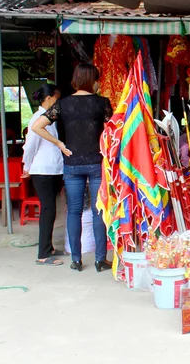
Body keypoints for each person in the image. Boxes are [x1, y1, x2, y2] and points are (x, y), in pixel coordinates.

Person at [32, 63, 113, 273]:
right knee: (98, 212)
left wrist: (59, 144)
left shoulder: (63, 104)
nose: (97, 83)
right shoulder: (102, 103)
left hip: (72, 164)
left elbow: (36, 126)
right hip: (96, 162)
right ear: (91, 80)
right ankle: (99, 260)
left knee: (74, 212)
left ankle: (76, 260)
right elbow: (112, 132)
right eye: (96, 79)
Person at [22, 84, 64, 266]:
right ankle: (43, 254)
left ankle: (49, 248)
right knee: (47, 210)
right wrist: (27, 166)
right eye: (56, 100)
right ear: (48, 99)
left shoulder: (48, 119)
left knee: (51, 209)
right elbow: (30, 146)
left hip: (52, 169)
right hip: (42, 170)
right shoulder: (37, 119)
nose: (57, 103)